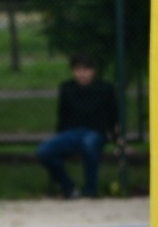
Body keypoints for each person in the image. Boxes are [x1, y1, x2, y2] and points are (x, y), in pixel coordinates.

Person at [36, 54, 122, 199]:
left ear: (93, 71)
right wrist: (60, 137)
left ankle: (91, 189)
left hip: (95, 133)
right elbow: (62, 115)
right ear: (73, 71)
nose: (82, 73)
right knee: (44, 150)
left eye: (86, 69)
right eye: (78, 70)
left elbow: (114, 117)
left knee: (88, 144)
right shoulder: (66, 88)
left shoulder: (105, 89)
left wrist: (118, 139)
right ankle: (68, 187)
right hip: (71, 134)